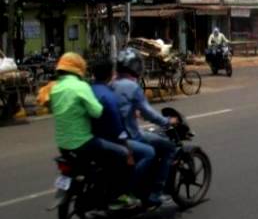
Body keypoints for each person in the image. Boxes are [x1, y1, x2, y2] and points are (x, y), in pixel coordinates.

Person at [48, 52, 138, 210]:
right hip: (84, 143)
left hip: (63, 145)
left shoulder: (55, 88)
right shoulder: (81, 87)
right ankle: (118, 196)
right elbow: (96, 112)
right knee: (123, 153)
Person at [112, 48, 178, 207]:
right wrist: (167, 121)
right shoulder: (133, 87)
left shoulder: (112, 83)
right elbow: (149, 113)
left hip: (113, 134)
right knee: (168, 147)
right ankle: (155, 192)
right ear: (135, 67)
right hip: (128, 136)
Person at [91, 57, 155, 201]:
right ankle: (129, 190)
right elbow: (118, 126)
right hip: (110, 139)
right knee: (149, 152)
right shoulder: (109, 95)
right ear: (110, 73)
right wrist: (127, 149)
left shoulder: (89, 89)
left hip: (93, 137)